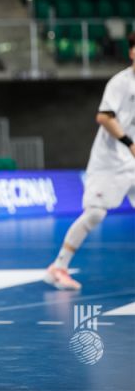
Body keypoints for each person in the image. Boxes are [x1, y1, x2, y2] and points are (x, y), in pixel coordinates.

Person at [45, 34, 135, 290]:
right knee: (95, 213)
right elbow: (104, 117)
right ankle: (58, 267)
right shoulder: (121, 83)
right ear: (131, 53)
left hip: (132, 162)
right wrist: (129, 143)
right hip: (109, 162)